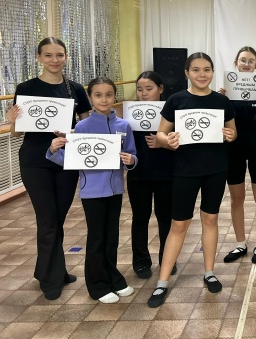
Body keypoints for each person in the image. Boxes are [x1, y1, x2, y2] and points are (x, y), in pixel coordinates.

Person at [147, 52, 236, 308]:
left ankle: (209, 272)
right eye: (196, 70)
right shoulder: (176, 100)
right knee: (179, 224)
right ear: (186, 73)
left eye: (206, 69)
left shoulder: (222, 101)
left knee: (210, 219)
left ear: (212, 72)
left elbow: (233, 131)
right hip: (185, 170)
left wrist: (231, 135)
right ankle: (162, 282)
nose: (202, 74)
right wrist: (168, 140)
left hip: (216, 169)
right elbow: (161, 134)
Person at [7, 37, 92, 301]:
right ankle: (50, 279)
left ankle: (55, 271)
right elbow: (17, 132)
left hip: (65, 160)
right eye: (48, 55)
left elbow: (85, 127)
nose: (54, 60)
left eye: (59, 55)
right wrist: (11, 121)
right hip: (35, 162)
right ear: (39, 57)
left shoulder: (75, 89)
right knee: (47, 219)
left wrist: (72, 133)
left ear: (66, 57)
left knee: (57, 219)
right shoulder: (26, 88)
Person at [47, 77, 137, 304]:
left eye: (108, 94)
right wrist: (54, 150)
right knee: (97, 238)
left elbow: (133, 154)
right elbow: (72, 159)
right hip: (92, 193)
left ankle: (113, 278)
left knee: (112, 238)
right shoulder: (82, 127)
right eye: (98, 95)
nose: (104, 99)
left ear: (114, 96)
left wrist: (131, 160)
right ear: (90, 98)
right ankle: (97, 286)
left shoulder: (123, 126)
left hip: (116, 191)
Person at [219, 47, 256, 265]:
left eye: (251, 61)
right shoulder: (225, 93)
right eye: (243, 60)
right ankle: (240, 243)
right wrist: (219, 100)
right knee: (237, 198)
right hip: (233, 149)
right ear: (236, 63)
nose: (246, 64)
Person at [127, 71, 177, 279]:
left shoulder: (171, 113)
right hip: (138, 174)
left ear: (160, 89)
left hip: (166, 173)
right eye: (140, 89)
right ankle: (141, 261)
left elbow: (181, 143)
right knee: (140, 218)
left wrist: (163, 142)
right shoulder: (130, 114)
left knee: (165, 218)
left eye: (149, 89)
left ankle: (168, 259)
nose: (144, 93)